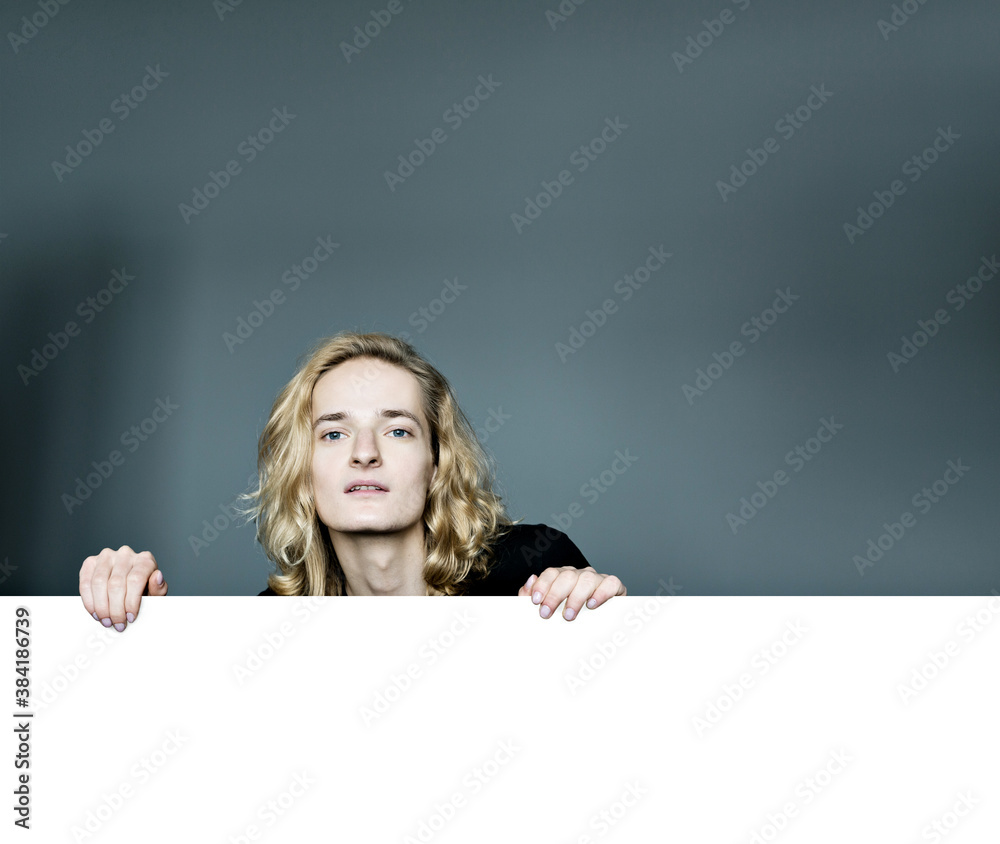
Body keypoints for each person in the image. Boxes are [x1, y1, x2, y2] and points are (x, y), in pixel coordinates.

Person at [79, 332, 626, 630]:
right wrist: (133, 624)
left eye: (398, 430)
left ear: (436, 462)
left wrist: (609, 623)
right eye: (334, 434)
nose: (365, 454)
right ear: (302, 470)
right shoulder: (270, 628)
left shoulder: (532, 569)